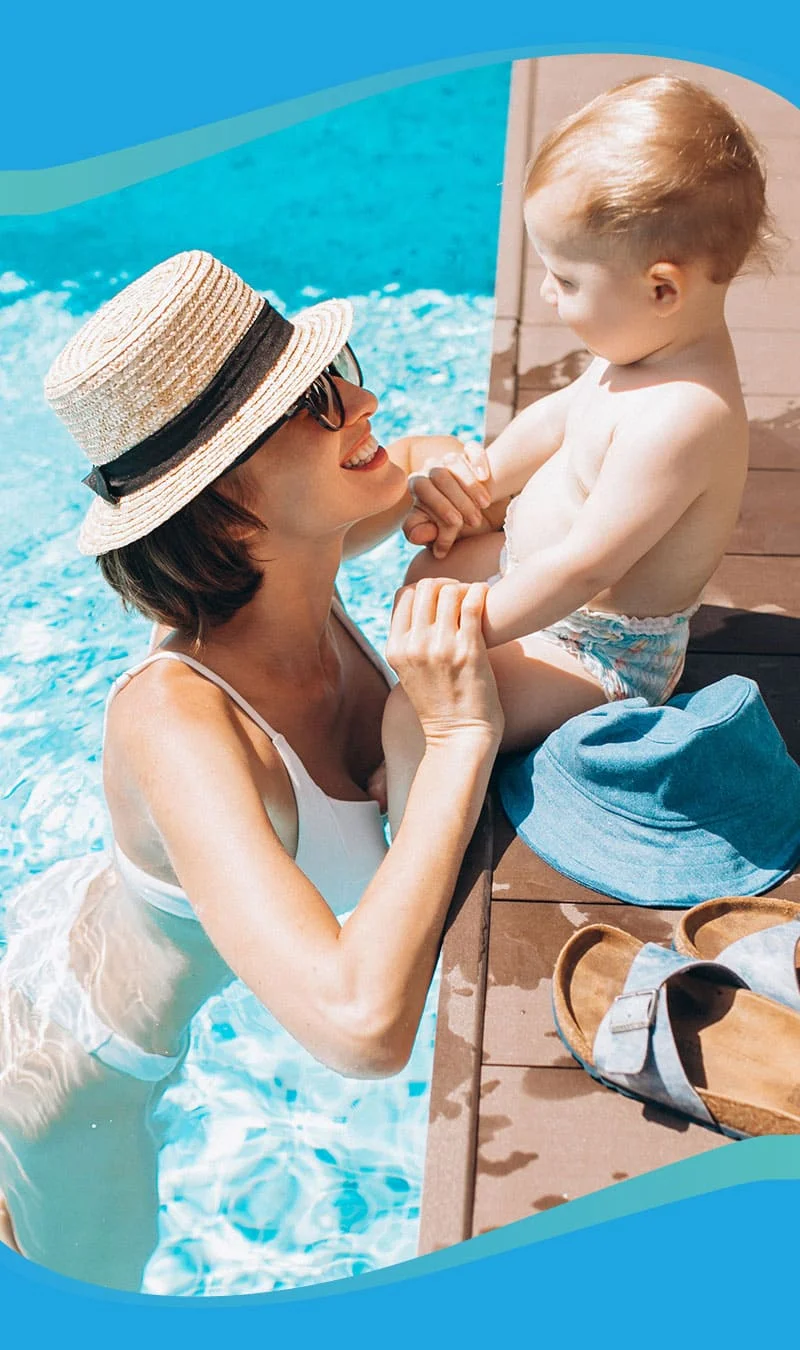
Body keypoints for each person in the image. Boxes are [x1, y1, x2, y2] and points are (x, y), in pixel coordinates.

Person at [0, 250, 503, 1290]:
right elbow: (358, 1031)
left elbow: (434, 446)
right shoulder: (182, 727)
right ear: (227, 504)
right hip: (79, 1070)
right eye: (317, 403)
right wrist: (450, 746)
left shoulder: (303, 548)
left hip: (91, 940)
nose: (363, 396)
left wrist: (444, 475)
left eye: (338, 372)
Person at [402, 75, 776, 751]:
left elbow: (584, 567)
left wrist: (472, 628)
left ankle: (397, 788)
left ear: (661, 288)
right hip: (539, 586)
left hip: (598, 649)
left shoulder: (685, 416)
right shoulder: (642, 347)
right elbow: (556, 419)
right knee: (430, 570)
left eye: (567, 279)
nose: (546, 293)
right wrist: (483, 479)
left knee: (419, 714)